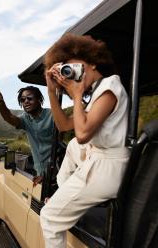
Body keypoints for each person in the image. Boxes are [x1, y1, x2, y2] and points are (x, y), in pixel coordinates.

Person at [40, 34, 130, 247]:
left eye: (72, 68)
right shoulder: (98, 92)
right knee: (71, 146)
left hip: (108, 167)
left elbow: (83, 134)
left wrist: (77, 94)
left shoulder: (110, 85)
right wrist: (52, 91)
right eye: (65, 71)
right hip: (98, 161)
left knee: (49, 218)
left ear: (92, 62)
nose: (71, 75)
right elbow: (64, 126)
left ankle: (61, 204)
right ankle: (64, 196)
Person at [0, 85, 54, 180]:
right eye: (22, 99)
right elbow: (9, 117)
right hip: (40, 171)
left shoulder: (52, 115)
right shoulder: (25, 118)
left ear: (39, 99)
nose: (26, 101)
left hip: (57, 168)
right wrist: (1, 104)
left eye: (29, 98)